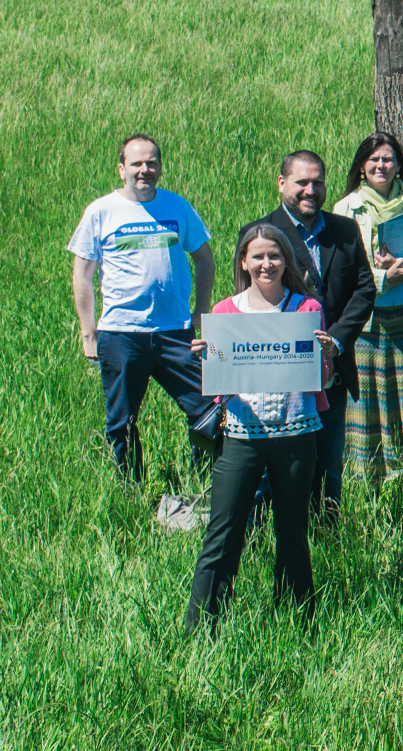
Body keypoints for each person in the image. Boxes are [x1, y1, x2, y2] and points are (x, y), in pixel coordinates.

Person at [185, 222, 328, 627]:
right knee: (223, 532)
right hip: (241, 435)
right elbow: (219, 385)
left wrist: (328, 354)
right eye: (259, 256)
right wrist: (207, 359)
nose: (268, 263)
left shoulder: (307, 309)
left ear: (287, 260)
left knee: (293, 533)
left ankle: (296, 623)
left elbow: (318, 380)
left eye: (275, 255)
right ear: (244, 262)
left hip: (296, 434)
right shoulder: (225, 312)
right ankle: (203, 627)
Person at [69, 134, 216, 480]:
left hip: (175, 332)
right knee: (122, 421)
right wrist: (88, 332)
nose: (144, 170)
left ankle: (204, 483)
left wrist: (202, 311)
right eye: (136, 164)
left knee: (210, 409)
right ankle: (131, 492)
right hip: (121, 333)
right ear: (122, 169)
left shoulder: (177, 206)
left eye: (151, 163)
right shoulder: (101, 211)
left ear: (160, 167)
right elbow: (82, 274)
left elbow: (205, 260)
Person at [262, 150, 377, 518]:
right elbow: (248, 301)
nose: (311, 190)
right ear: (282, 184)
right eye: (302, 183)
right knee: (283, 460)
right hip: (279, 372)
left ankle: (327, 534)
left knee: (329, 460)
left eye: (318, 183)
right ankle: (281, 530)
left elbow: (364, 289)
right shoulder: (262, 234)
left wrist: (336, 341)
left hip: (334, 368)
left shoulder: (343, 230)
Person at [332, 133, 403, 487]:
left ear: (399, 166)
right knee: (368, 395)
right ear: (362, 166)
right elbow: (342, 267)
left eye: (389, 159)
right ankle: (368, 473)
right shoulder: (346, 208)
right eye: (375, 160)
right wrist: (382, 278)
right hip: (366, 320)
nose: (382, 166)